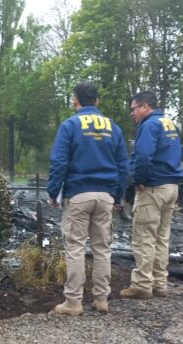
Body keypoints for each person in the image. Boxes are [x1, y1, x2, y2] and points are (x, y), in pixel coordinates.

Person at [47, 82, 128, 316]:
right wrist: (118, 195)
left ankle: (73, 302)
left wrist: (54, 192)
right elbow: (123, 165)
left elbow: (59, 162)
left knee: (76, 249)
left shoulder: (70, 125)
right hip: (105, 196)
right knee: (103, 248)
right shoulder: (113, 127)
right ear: (97, 102)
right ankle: (102, 299)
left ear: (75, 101)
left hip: (78, 194)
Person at [121, 91, 183, 300]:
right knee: (161, 237)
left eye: (134, 109)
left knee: (144, 238)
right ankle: (160, 283)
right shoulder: (169, 124)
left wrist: (138, 180)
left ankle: (142, 285)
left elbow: (143, 156)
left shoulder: (149, 125)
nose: (133, 114)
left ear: (145, 106)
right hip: (171, 187)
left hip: (153, 188)